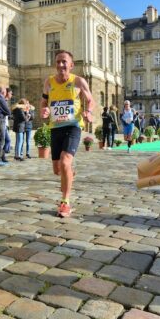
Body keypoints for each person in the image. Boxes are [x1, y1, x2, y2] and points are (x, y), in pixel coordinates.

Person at [41, 50, 95, 218]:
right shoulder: (49, 82)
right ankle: (69, 173)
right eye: (58, 62)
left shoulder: (78, 81)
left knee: (65, 162)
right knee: (58, 170)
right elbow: (44, 100)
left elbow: (90, 100)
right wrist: (45, 109)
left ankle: (65, 202)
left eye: (64, 62)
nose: (61, 65)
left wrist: (89, 112)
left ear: (71, 65)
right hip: (55, 128)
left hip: (73, 127)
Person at [3, 87, 13, 158]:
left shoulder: (5, 101)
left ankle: (3, 154)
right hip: (2, 123)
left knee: (6, 140)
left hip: (5, 124)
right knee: (7, 140)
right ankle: (3, 154)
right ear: (7, 93)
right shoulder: (3, 101)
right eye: (11, 93)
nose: (11, 95)